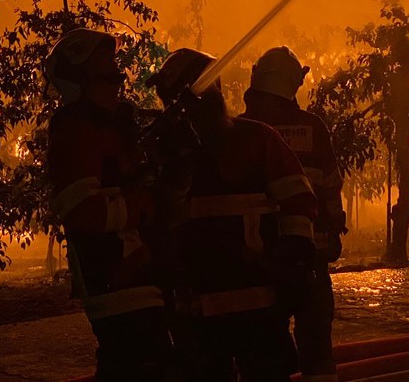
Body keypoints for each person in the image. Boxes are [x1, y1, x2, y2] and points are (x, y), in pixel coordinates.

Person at [150, 47, 317, 382]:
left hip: (258, 302)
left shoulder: (257, 139)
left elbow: (299, 202)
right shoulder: (161, 154)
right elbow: (156, 218)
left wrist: (292, 264)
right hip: (196, 310)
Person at [46, 28, 172, 382]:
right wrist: (142, 208)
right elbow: (82, 212)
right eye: (108, 75)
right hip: (117, 282)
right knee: (137, 367)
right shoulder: (77, 133)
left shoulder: (110, 130)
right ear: (79, 82)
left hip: (139, 277)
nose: (118, 82)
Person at [242, 46, 344, 382]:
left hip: (258, 261)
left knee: (263, 351)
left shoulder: (241, 131)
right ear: (290, 84)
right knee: (316, 348)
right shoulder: (312, 127)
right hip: (309, 258)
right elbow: (330, 189)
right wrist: (331, 233)